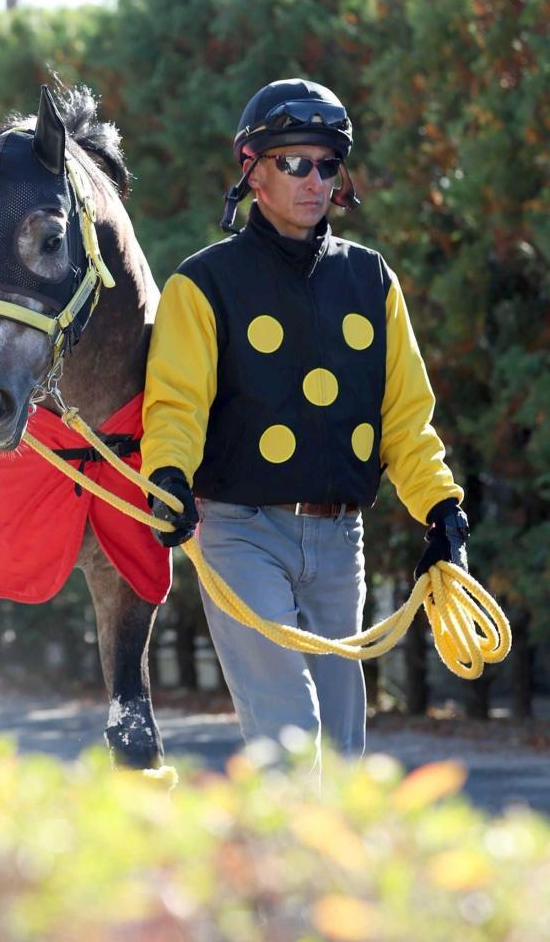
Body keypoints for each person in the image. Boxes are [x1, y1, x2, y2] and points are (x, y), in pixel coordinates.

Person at [140, 78, 469, 768]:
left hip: (339, 539)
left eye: (326, 164)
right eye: (294, 162)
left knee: (343, 751)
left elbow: (406, 418)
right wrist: (166, 473)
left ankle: (317, 846)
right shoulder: (201, 284)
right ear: (252, 171)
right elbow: (176, 402)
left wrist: (441, 510)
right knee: (290, 731)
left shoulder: (372, 281)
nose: (314, 180)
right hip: (239, 533)